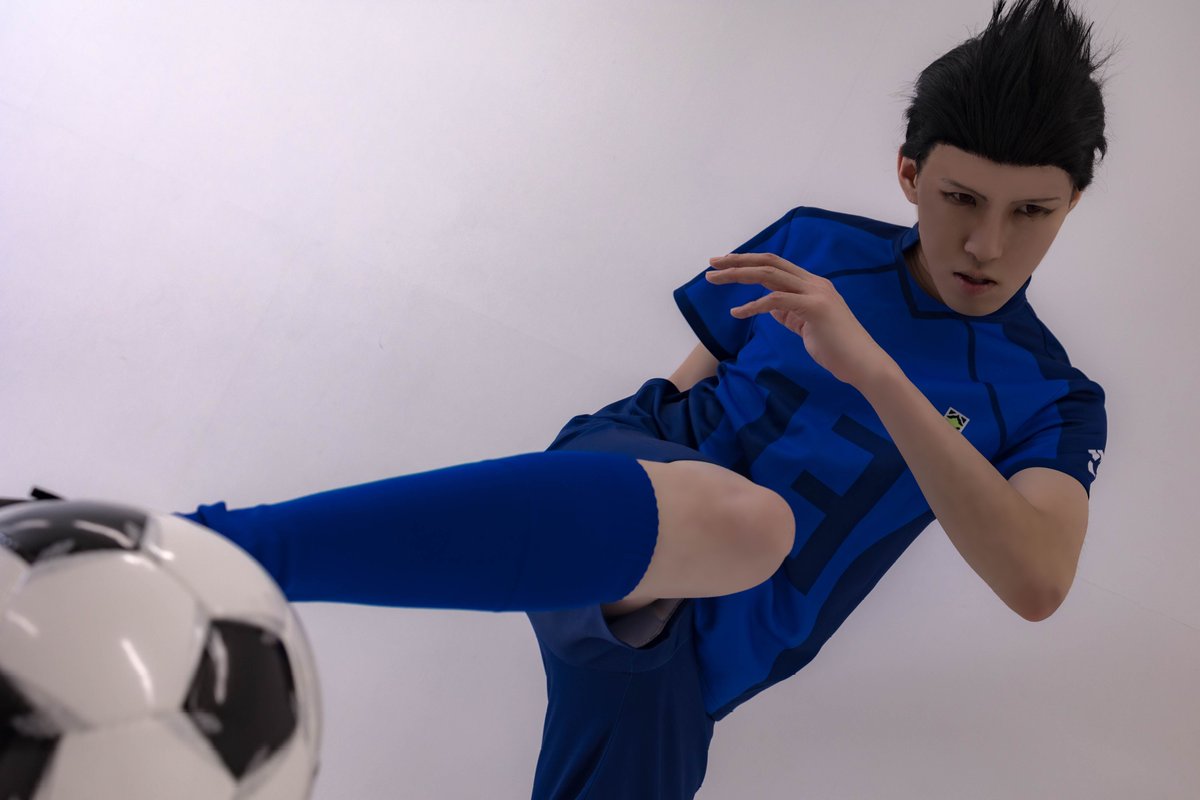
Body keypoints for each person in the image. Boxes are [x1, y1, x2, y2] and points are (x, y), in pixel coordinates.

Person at [159, 0, 1118, 796]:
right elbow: (697, 371)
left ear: (1071, 203)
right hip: (623, 497)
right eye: (960, 198)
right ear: (910, 175)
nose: (987, 244)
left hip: (684, 668)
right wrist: (628, 452)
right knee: (750, 524)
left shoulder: (1052, 398)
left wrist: (875, 370)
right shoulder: (817, 245)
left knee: (734, 560)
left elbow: (1037, 581)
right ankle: (214, 548)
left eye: (1030, 212)